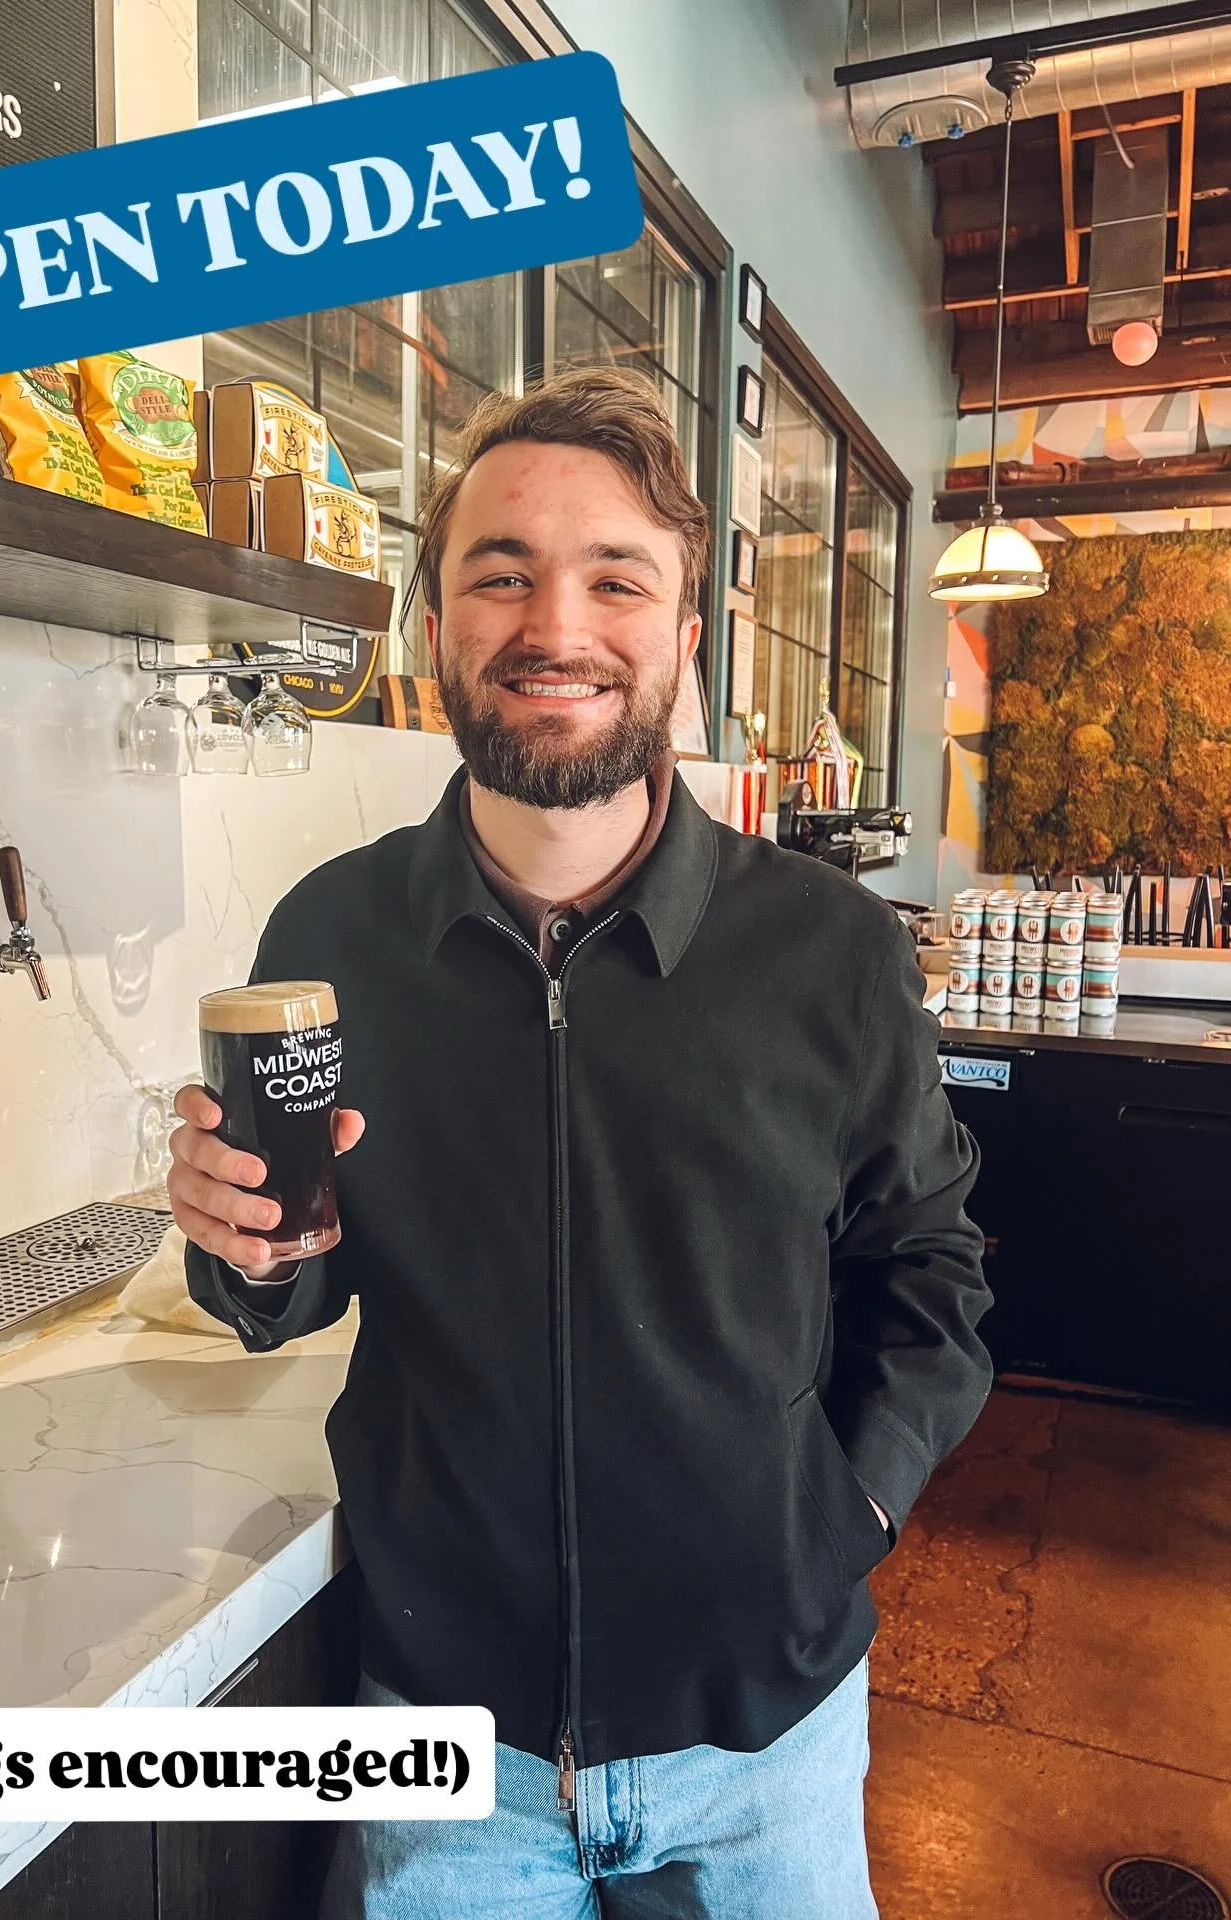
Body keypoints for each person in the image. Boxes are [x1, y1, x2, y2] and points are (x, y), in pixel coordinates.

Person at [170, 367, 992, 1918]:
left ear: (684, 639)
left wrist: (845, 1520)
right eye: (502, 574)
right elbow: (290, 1285)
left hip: (767, 1744)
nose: (557, 626)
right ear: (435, 632)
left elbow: (933, 1279)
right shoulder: (329, 936)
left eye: (616, 578)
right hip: (450, 1750)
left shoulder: (827, 951)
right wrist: (246, 1252)